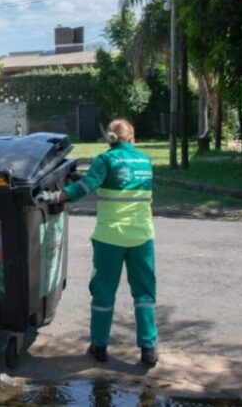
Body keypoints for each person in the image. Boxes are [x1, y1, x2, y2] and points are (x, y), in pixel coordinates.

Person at [39, 119, 158, 367]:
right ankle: (148, 349)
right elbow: (121, 183)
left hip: (110, 239)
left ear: (110, 138)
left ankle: (100, 347)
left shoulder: (105, 160)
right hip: (142, 237)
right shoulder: (145, 161)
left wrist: (56, 195)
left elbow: (87, 186)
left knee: (104, 293)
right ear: (132, 137)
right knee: (144, 293)